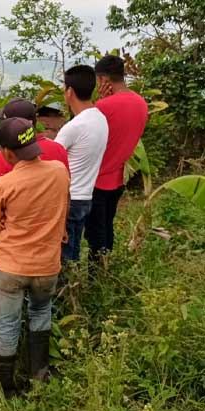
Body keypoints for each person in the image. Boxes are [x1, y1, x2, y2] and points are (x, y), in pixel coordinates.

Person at [0, 118, 70, 397]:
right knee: (41, 312)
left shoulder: (5, 183)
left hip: (11, 266)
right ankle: (39, 375)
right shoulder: (58, 172)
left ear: (7, 152)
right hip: (47, 265)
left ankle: (7, 387)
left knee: (6, 322)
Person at [0, 99, 69, 310]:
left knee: (3, 314)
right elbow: (65, 194)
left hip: (11, 252)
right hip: (48, 248)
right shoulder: (58, 152)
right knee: (41, 309)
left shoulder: (4, 156)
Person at [84, 55, 149, 263]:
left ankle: (97, 276)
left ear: (103, 80)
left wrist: (101, 102)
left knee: (95, 233)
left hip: (96, 180)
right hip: (118, 178)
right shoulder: (141, 103)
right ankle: (106, 268)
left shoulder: (102, 108)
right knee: (107, 226)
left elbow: (85, 131)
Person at [55, 65, 109, 262]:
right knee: (73, 253)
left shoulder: (74, 127)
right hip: (85, 196)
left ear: (69, 92)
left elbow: (50, 159)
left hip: (68, 199)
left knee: (62, 257)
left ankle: (63, 293)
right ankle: (72, 291)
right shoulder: (100, 119)